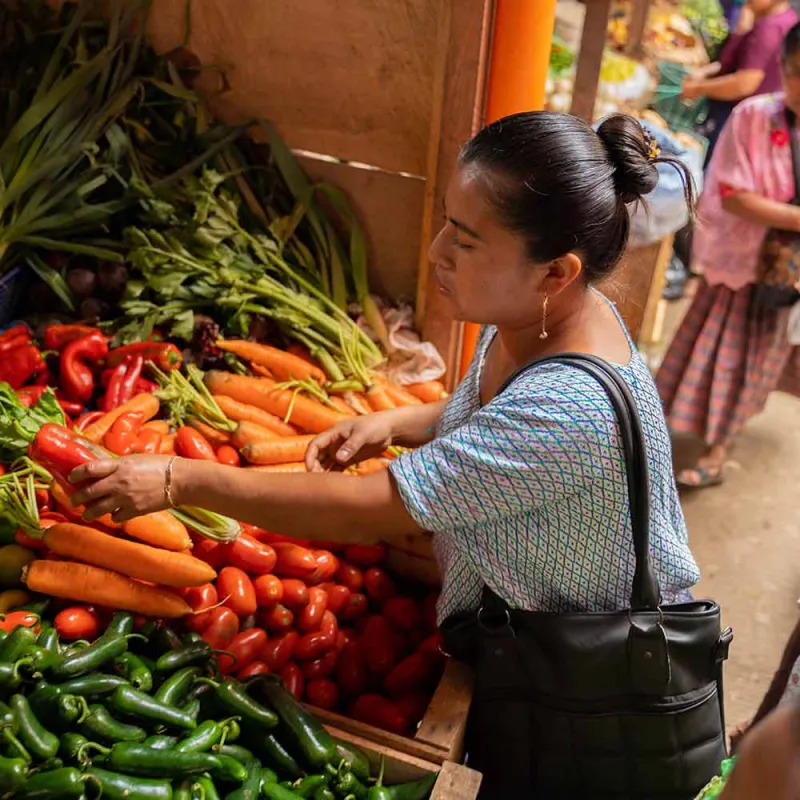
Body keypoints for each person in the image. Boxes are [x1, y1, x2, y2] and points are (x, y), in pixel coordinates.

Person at [68, 112, 701, 796]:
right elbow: (487, 414)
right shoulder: (544, 318)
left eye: (463, 241)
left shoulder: (565, 410)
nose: (435, 253)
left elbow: (370, 508)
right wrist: (400, 422)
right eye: (445, 224)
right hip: (530, 642)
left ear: (555, 271)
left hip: (579, 690)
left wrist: (179, 479)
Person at [657, 22, 800, 488]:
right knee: (711, 352)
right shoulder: (753, 116)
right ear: (783, 67)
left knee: (757, 364)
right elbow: (735, 195)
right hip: (740, 265)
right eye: (799, 73)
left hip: (788, 279)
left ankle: (720, 450)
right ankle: (649, 436)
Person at [683, 0, 797, 164]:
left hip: (734, 121)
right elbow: (744, 62)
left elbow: (745, 82)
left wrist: (699, 88)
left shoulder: (769, 29)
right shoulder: (785, 19)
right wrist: (705, 72)